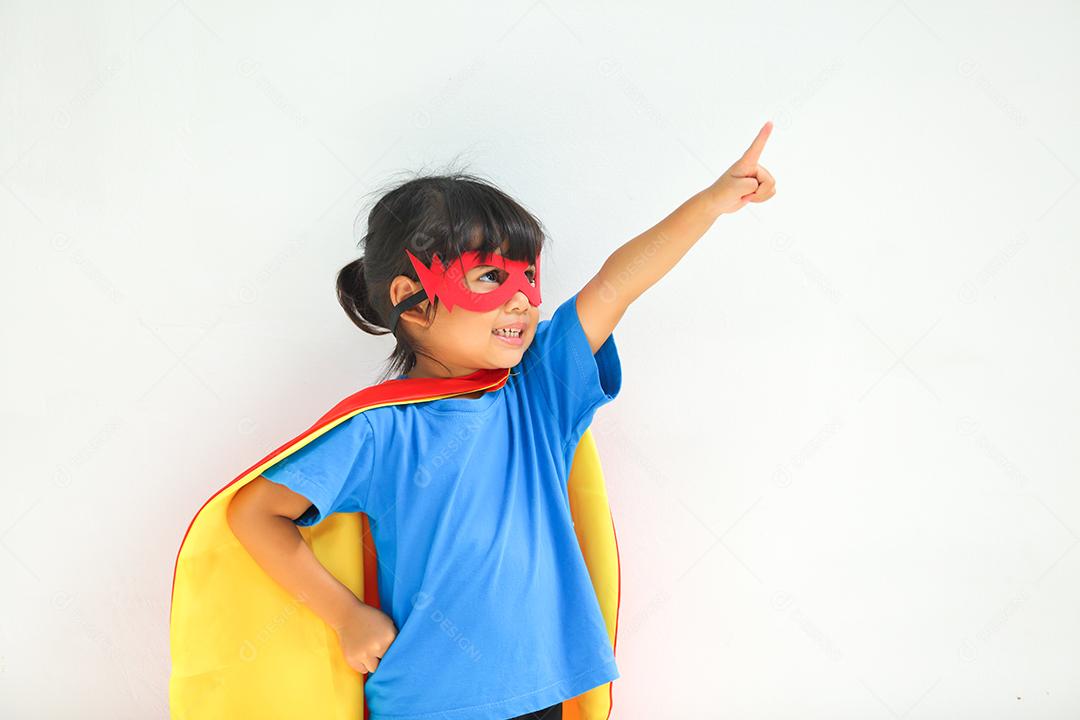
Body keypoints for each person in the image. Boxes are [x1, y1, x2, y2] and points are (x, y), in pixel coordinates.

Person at [224, 122, 775, 720]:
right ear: (415, 296)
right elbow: (255, 511)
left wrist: (713, 201)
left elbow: (616, 285)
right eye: (491, 277)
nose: (523, 300)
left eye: (529, 277)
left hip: (541, 692)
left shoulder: (539, 391)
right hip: (427, 702)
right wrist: (346, 615)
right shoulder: (378, 429)